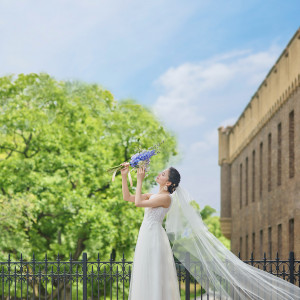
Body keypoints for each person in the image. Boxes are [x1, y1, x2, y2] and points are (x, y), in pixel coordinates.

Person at [121, 162, 181, 300]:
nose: (160, 174)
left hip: (154, 236)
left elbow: (138, 203)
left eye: (163, 174)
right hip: (146, 234)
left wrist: (139, 180)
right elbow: (127, 197)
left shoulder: (166, 198)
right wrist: (124, 176)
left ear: (169, 182)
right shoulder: (152, 195)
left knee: (153, 272)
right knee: (143, 272)